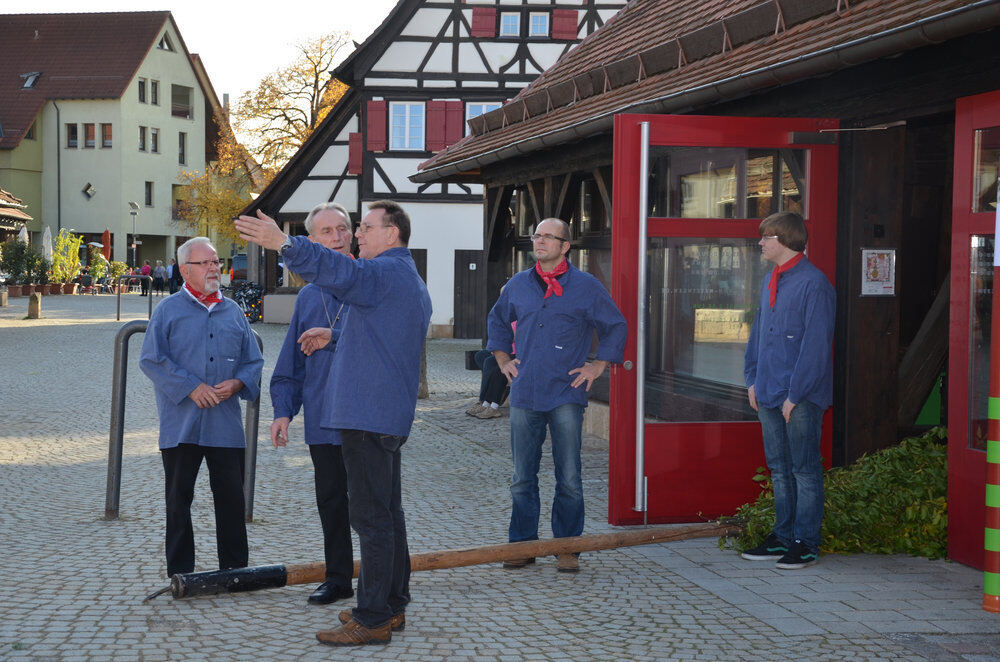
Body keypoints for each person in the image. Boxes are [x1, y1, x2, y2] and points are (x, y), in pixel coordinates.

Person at [236, 200, 431, 647]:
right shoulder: (401, 276)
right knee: (387, 513)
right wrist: (332, 337)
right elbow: (380, 335)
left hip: (367, 415)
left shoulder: (383, 273)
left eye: (364, 227)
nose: (357, 234)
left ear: (392, 234)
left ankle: (374, 616)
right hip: (378, 414)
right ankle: (392, 603)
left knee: (371, 518)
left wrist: (284, 243)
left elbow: (341, 273)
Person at [486, 218, 626, 573]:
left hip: (566, 391)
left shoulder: (587, 287)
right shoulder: (517, 285)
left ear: (566, 246)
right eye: (537, 235)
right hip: (525, 391)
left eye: (549, 237)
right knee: (522, 477)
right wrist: (503, 359)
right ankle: (522, 545)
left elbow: (616, 325)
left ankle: (568, 547)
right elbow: (497, 322)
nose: (540, 241)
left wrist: (598, 366)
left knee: (569, 476)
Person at [138, 237, 264, 578]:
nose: (214, 268)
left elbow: (253, 360)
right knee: (178, 501)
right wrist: (191, 387)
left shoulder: (233, 311)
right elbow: (150, 359)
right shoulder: (167, 311)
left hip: (225, 425)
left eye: (215, 262)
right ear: (184, 270)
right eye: (205, 263)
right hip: (181, 424)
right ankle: (181, 573)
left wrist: (238, 383)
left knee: (231, 501)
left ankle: (235, 570)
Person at [269, 203, 356, 605]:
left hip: (367, 415)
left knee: (375, 506)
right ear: (311, 241)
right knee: (332, 503)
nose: (337, 237)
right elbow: (290, 363)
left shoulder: (371, 281)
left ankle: (384, 579)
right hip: (324, 418)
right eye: (327, 232)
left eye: (343, 229)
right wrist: (283, 411)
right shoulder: (307, 298)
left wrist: (334, 337)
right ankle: (338, 578)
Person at [741, 211, 835, 570]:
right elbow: (758, 334)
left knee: (804, 470)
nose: (761, 243)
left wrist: (795, 396)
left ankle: (805, 543)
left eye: (766, 237)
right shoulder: (771, 280)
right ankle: (782, 536)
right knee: (779, 469)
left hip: (801, 398)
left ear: (784, 240)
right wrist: (752, 380)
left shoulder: (815, 284)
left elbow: (815, 348)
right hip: (767, 392)